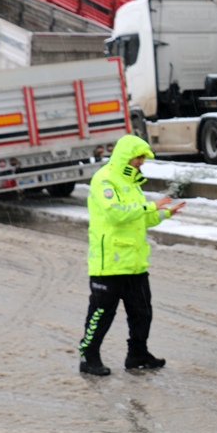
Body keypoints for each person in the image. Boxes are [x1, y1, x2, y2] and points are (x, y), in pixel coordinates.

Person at [78, 134, 186, 376]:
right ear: (127, 156)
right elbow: (116, 213)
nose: (142, 162)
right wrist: (151, 206)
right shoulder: (104, 179)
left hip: (134, 263)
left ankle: (137, 354)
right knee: (101, 314)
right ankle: (88, 357)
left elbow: (141, 217)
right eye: (139, 157)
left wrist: (166, 214)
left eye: (143, 158)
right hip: (109, 263)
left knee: (142, 313)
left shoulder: (132, 183)